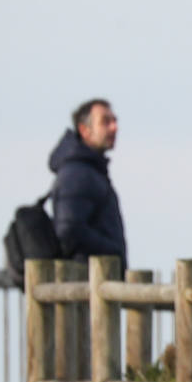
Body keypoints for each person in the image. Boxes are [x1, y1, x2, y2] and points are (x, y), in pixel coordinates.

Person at [50, 98, 127, 269]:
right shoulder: (77, 173)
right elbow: (69, 229)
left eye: (114, 121)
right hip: (86, 283)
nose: (114, 127)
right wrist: (112, 251)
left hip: (94, 281)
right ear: (85, 130)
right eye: (105, 122)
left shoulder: (89, 171)